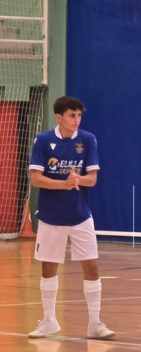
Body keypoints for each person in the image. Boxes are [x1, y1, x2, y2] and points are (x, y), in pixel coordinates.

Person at [28, 96, 114, 339]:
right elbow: (36, 179)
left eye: (79, 115)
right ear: (59, 117)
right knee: (48, 268)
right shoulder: (44, 140)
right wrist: (63, 184)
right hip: (51, 216)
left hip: (80, 215)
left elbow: (92, 179)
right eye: (71, 115)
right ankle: (49, 321)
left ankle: (95, 323)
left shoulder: (88, 140)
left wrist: (78, 179)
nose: (76, 120)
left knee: (92, 266)